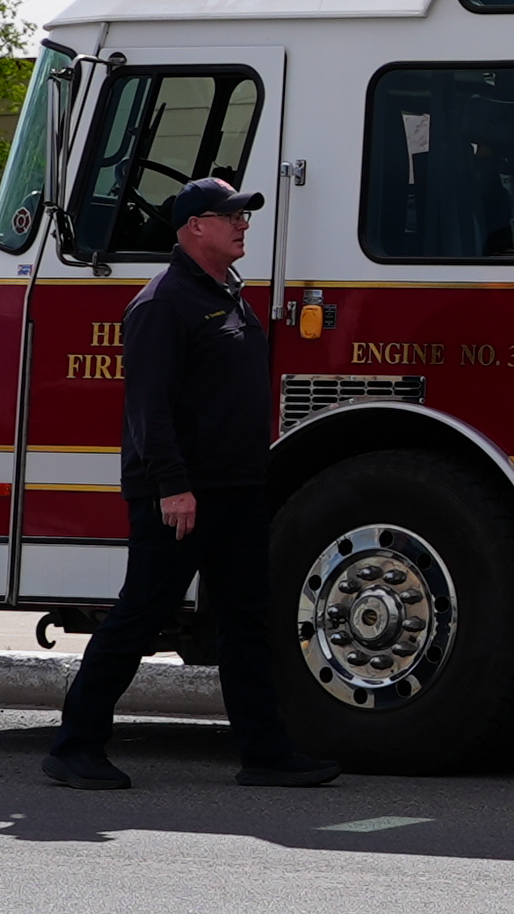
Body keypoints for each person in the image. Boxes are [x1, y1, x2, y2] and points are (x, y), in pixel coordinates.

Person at [46, 177, 338, 791]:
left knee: (246, 623)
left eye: (244, 216)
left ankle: (265, 752)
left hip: (235, 489)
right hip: (181, 495)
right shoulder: (163, 303)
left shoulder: (227, 294)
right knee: (139, 615)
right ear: (193, 227)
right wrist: (173, 487)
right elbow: (147, 410)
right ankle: (75, 746)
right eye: (229, 215)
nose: (242, 224)